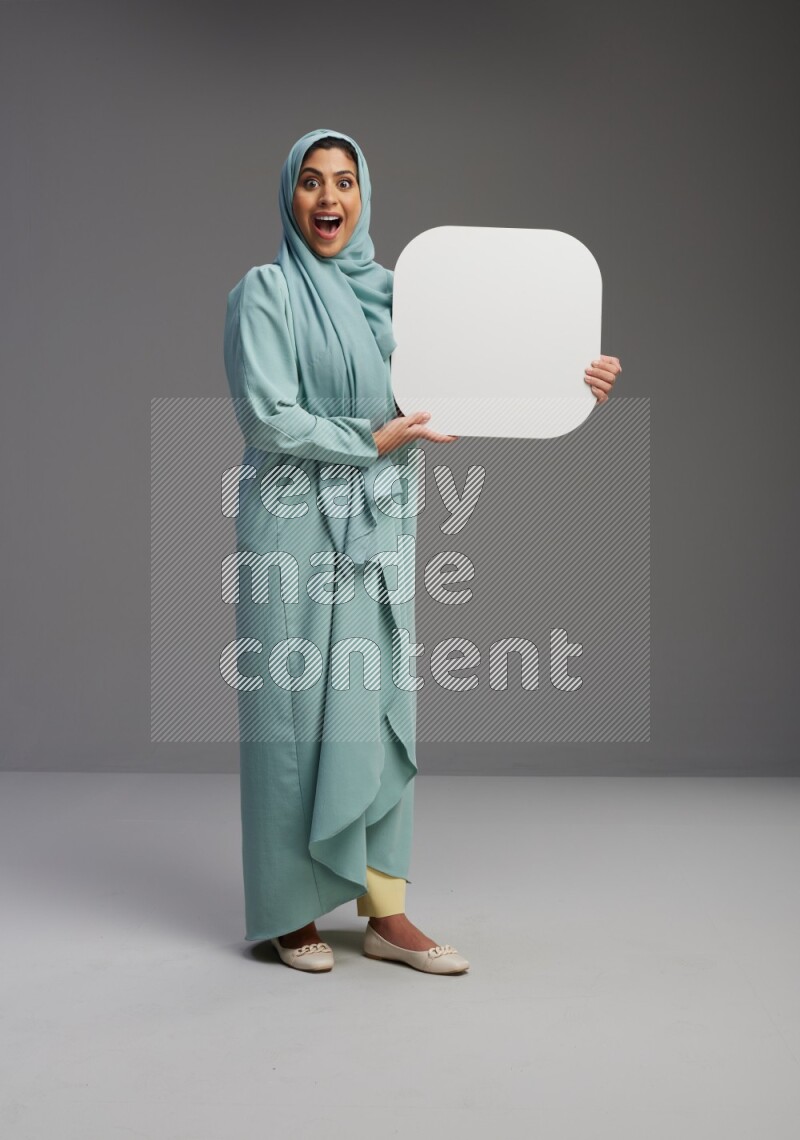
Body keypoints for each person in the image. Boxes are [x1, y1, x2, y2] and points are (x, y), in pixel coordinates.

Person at [223, 127, 622, 976]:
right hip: (292, 525)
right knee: (289, 723)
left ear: (364, 198)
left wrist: (570, 377)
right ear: (289, 197)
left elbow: (481, 366)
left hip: (377, 523)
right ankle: (289, 911)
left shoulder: (400, 296)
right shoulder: (265, 292)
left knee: (378, 705)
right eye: (311, 183)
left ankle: (384, 912)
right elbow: (265, 416)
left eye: (344, 183)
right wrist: (371, 438)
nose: (329, 199)